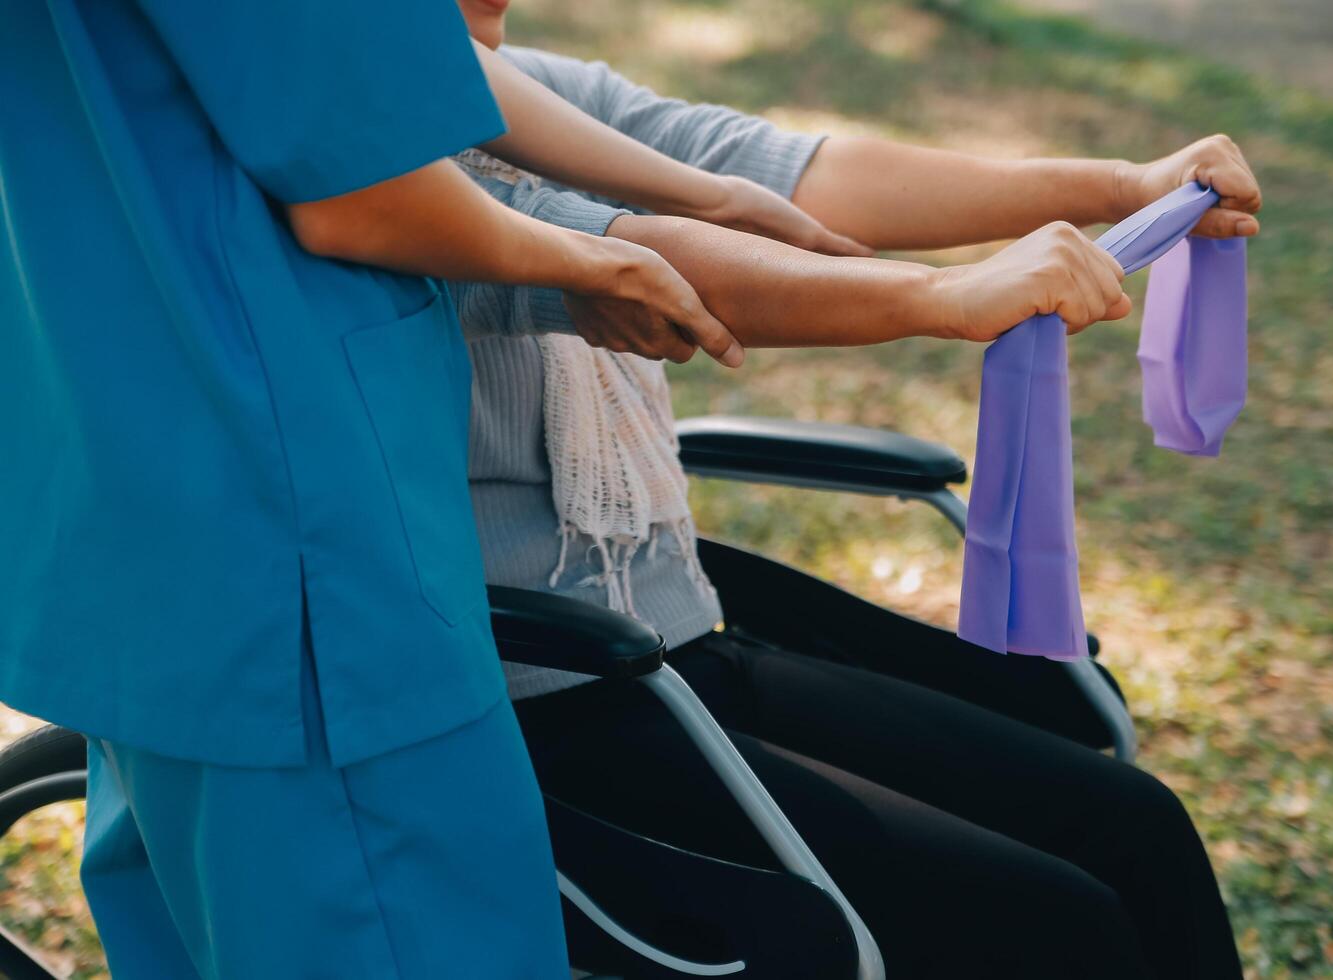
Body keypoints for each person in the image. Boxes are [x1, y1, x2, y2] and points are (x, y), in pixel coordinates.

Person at [0, 0, 862, 975]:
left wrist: (684, 197)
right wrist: (593, 256)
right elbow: (363, 187)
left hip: (128, 520)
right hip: (297, 554)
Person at [445, 1, 1261, 976]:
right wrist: (941, 297)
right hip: (554, 699)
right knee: (1060, 922)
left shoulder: (537, 90)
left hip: (684, 635)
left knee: (1140, 825)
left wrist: (1127, 185)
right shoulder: (381, 167)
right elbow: (622, 257)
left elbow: (781, 168)